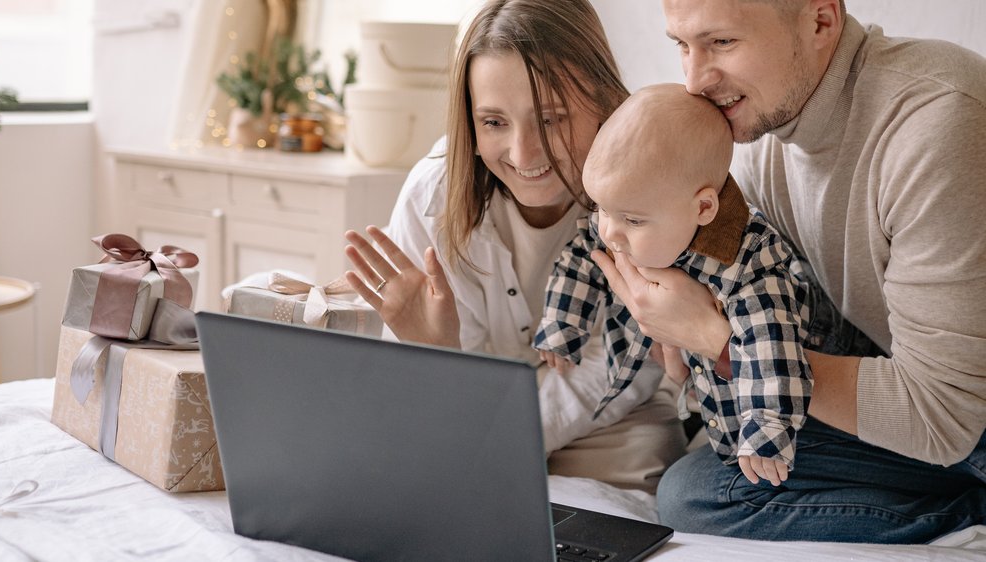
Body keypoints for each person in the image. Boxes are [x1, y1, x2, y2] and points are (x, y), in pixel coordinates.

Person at [596, 0, 986, 543]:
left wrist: (717, 342)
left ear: (821, 20)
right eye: (682, 46)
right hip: (913, 395)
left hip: (963, 418)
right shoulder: (761, 136)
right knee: (696, 492)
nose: (695, 80)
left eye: (722, 43)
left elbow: (946, 418)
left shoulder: (936, 124)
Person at [342, 0, 687, 493]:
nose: (524, 153)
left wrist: (500, 441)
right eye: (494, 122)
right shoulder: (433, 195)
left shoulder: (650, 195)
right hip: (469, 413)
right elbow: (441, 388)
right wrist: (437, 353)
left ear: (605, 101)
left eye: (551, 119)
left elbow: (614, 371)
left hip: (608, 422)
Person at [535, 83, 812, 487]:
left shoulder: (749, 267)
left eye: (631, 219)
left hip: (794, 417)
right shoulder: (629, 219)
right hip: (709, 403)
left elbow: (773, 355)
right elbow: (581, 259)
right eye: (600, 208)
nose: (610, 232)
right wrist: (563, 323)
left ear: (702, 208)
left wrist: (766, 432)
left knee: (688, 495)